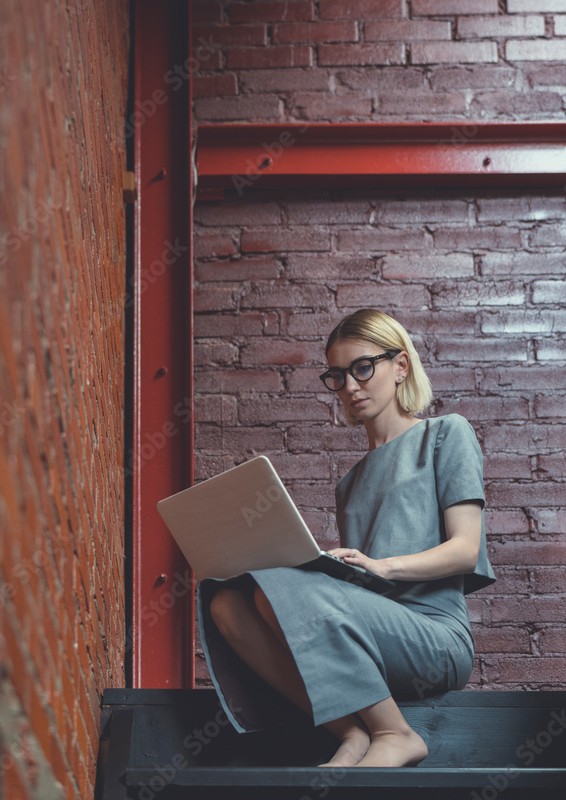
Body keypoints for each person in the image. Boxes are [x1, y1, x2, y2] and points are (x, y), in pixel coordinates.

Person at [196, 307, 496, 768]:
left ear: (400, 367)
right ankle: (351, 730)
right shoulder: (349, 484)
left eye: (362, 368)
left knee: (288, 588)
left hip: (435, 639)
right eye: (338, 376)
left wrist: (382, 566)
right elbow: (355, 594)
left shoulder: (445, 435)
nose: (351, 387)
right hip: (369, 636)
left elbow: (465, 549)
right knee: (229, 604)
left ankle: (395, 733)